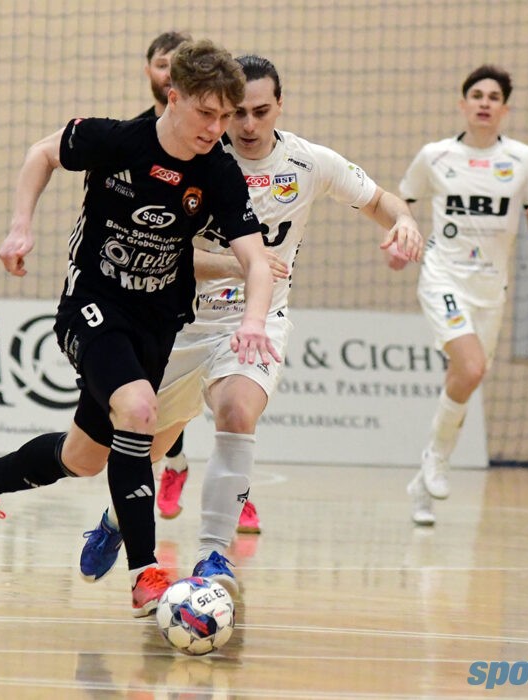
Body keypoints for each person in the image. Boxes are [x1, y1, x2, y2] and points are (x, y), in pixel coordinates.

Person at [0, 39, 280, 618]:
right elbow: (41, 153)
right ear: (173, 97)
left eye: (225, 116)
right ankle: (145, 572)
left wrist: (254, 320)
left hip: (159, 320)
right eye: (206, 113)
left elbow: (255, 259)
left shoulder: (219, 171)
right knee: (139, 410)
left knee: (84, 458)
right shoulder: (117, 139)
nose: (216, 128)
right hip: (93, 304)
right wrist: (20, 226)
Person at [80, 54, 424, 592]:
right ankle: (114, 521)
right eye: (236, 112)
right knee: (142, 449)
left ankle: (213, 556)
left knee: (238, 411)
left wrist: (404, 223)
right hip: (177, 322)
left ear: (279, 106)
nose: (246, 125)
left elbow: (381, 200)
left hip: (253, 323)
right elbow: (168, 254)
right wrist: (236, 264)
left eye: (260, 112)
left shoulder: (308, 162)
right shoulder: (195, 159)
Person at [394, 64, 528, 526]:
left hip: (490, 289)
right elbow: (402, 201)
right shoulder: (436, 156)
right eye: (477, 95)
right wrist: (400, 238)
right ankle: (437, 461)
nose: (485, 103)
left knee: (466, 379)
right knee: (471, 366)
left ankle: (424, 480)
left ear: (505, 109)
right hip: (443, 277)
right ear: (463, 105)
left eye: (494, 97)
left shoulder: (523, 160)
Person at [139, 32, 262, 533]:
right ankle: (171, 466)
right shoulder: (138, 141)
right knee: (151, 409)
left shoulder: (219, 148)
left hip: (222, 304)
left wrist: (246, 266)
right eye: (160, 63)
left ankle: (234, 497)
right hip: (159, 294)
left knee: (236, 401)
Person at [138, 31, 192, 120]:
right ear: (148, 71)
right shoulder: (135, 127)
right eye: (162, 66)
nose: (170, 74)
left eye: (178, 65)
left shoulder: (209, 126)